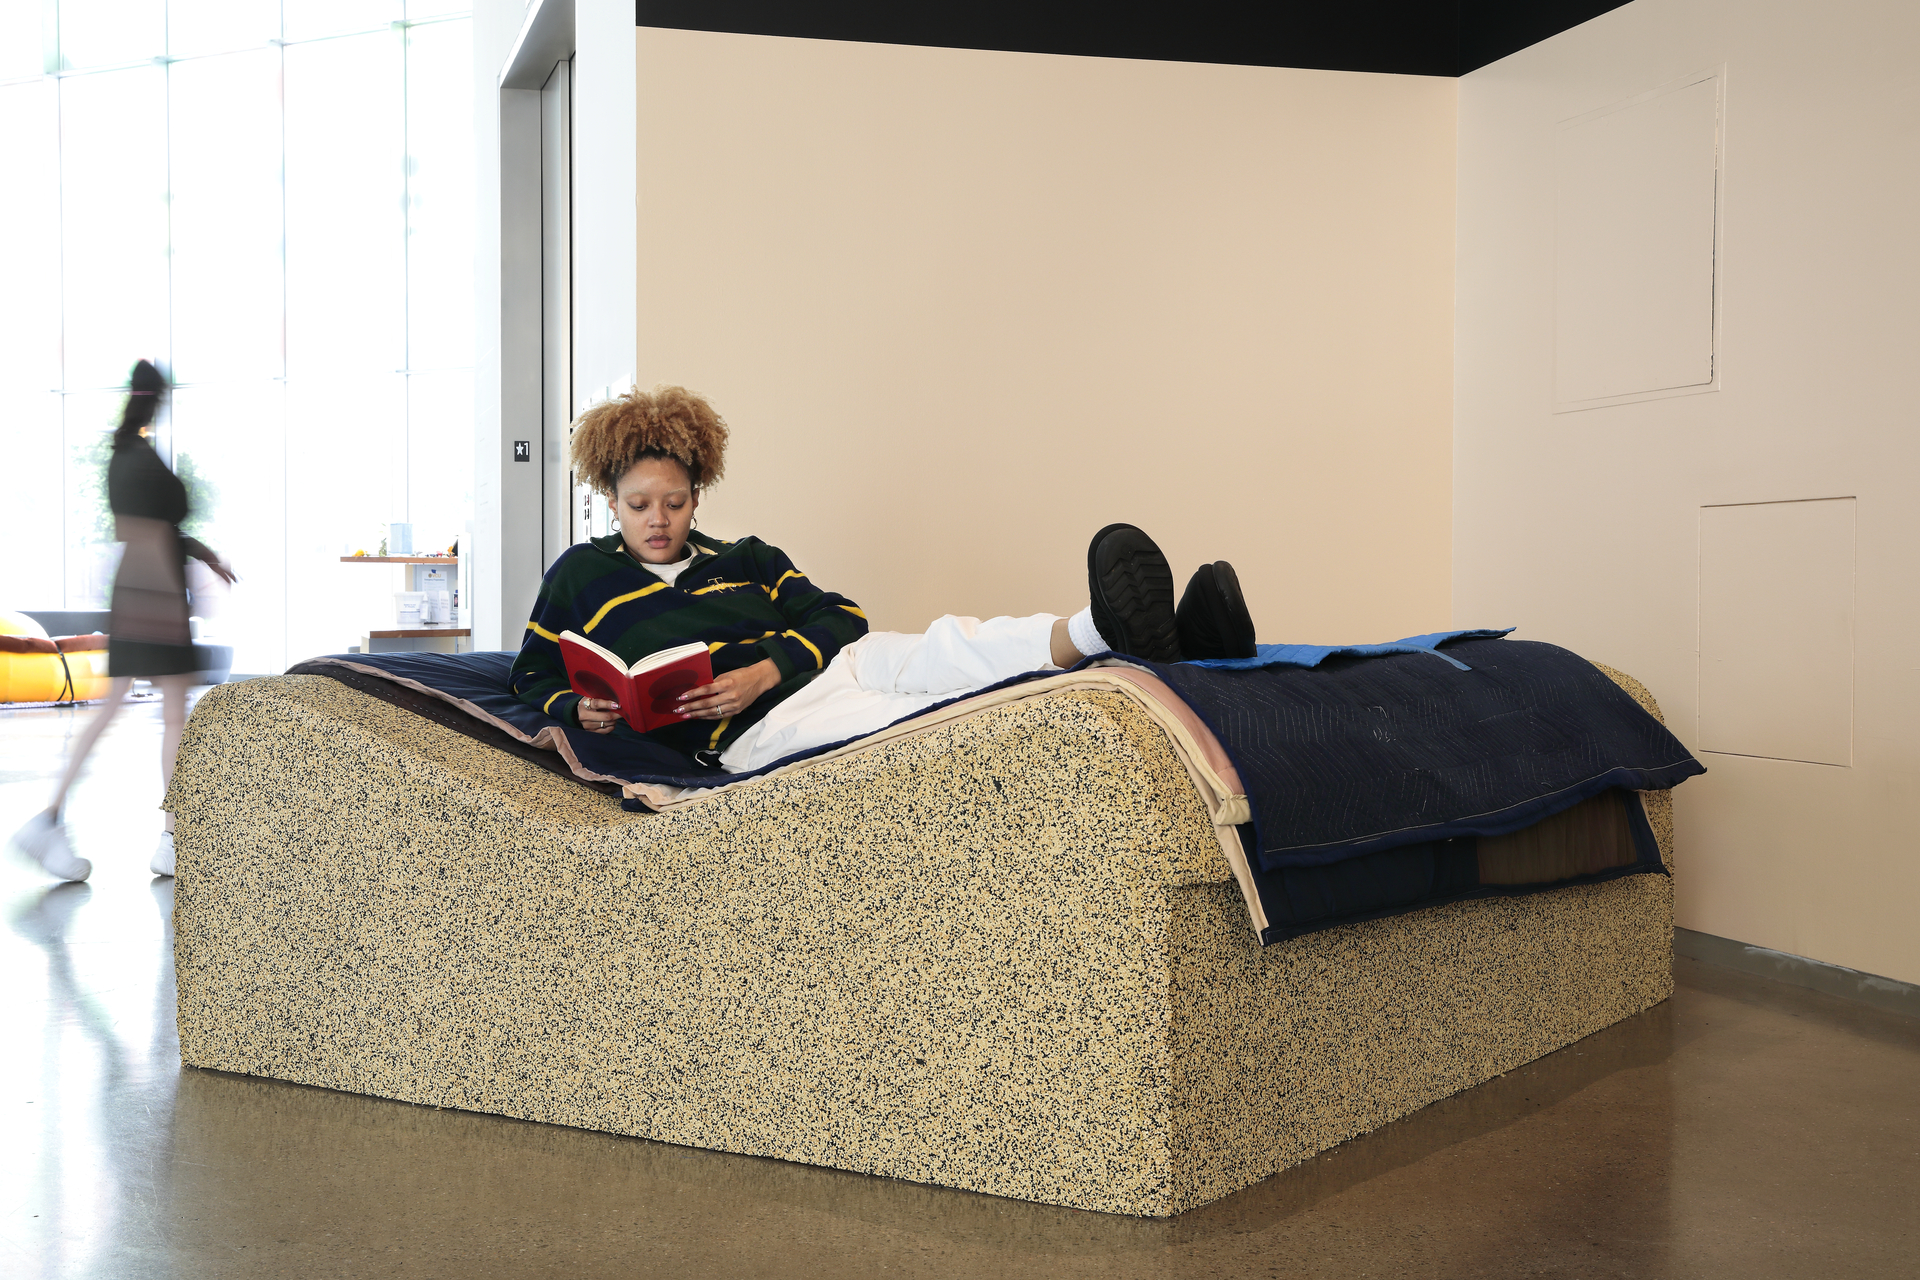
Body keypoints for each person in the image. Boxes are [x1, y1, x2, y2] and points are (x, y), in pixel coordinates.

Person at [511, 385, 1255, 775]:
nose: (659, 520)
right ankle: (1175, 650)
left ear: (698, 496)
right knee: (931, 716)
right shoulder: (583, 575)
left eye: (675, 503)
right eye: (640, 506)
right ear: (610, 501)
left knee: (947, 649)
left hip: (830, 671)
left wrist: (767, 667)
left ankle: (1100, 628)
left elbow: (842, 617)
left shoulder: (748, 558)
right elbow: (531, 672)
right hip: (761, 731)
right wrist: (578, 712)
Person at [10, 361, 236, 882]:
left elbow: (157, 528)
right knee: (169, 715)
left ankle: (61, 822)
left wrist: (205, 558)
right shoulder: (134, 458)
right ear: (155, 398)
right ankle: (165, 838)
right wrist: (183, 585)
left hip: (147, 589)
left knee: (132, 710)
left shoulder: (129, 453)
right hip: (152, 592)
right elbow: (148, 530)